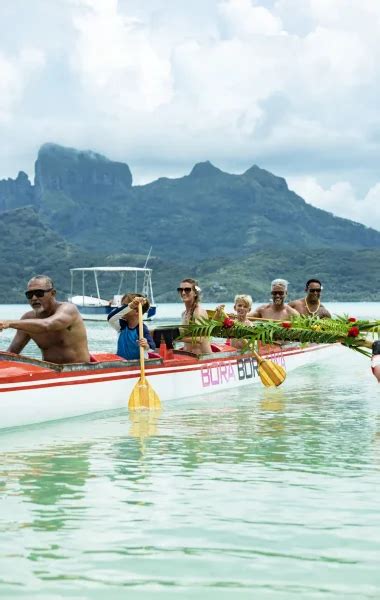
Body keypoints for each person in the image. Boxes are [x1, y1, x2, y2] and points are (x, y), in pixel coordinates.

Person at [0, 275, 90, 364]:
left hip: (78, 371)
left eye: (39, 293)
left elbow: (47, 325)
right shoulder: (27, 319)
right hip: (49, 371)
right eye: (30, 295)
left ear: (53, 293)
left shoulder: (68, 309)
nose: (34, 298)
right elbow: (11, 353)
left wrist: (9, 323)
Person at [107, 293, 156, 360]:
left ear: (137, 311)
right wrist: (131, 305)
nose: (123, 308)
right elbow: (110, 319)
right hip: (122, 363)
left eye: (125, 306)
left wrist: (146, 345)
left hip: (136, 365)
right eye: (124, 306)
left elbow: (152, 347)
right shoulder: (122, 326)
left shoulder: (142, 329)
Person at [178, 278, 212, 354]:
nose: (183, 293)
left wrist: (175, 338)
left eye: (187, 290)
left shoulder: (198, 312)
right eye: (180, 290)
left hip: (204, 359)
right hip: (188, 357)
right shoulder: (183, 314)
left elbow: (200, 339)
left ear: (195, 293)